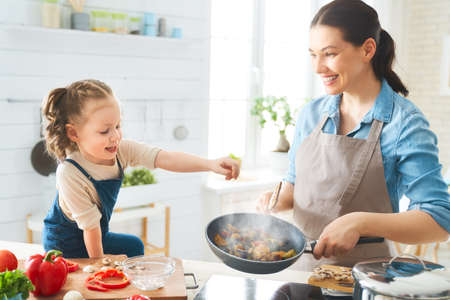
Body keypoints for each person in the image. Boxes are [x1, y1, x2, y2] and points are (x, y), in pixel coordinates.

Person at [257, 0, 449, 270]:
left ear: (368, 49)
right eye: (313, 55)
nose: (318, 67)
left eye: (329, 54)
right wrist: (276, 200)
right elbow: (294, 184)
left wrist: (360, 222)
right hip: (299, 271)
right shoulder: (310, 115)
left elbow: (439, 220)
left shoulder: (404, 123)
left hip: (366, 279)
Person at [41, 79, 240, 258]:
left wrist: (210, 164)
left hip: (96, 236)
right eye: (104, 131)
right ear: (74, 133)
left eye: (118, 126)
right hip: (64, 247)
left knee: (134, 246)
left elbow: (167, 158)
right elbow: (91, 229)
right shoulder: (70, 173)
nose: (115, 136)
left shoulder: (121, 150)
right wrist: (101, 265)